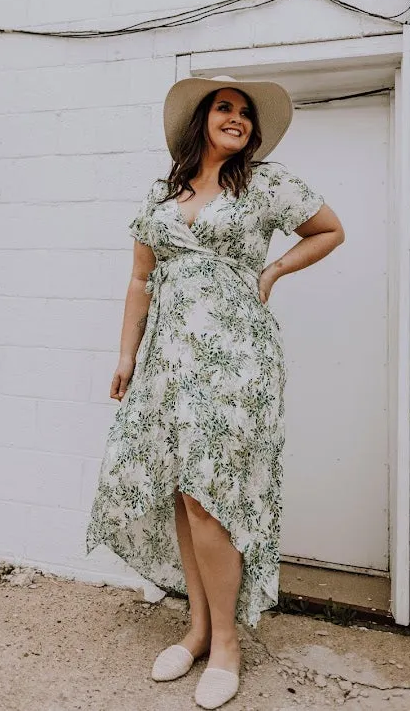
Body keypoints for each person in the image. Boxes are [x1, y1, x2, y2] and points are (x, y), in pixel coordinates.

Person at [85, 74, 345, 709]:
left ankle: (226, 643)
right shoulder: (161, 193)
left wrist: (276, 269)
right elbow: (141, 279)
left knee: (212, 495)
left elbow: (329, 230)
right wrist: (126, 354)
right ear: (200, 121)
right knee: (180, 490)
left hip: (236, 357)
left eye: (245, 114)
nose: (237, 119)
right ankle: (197, 629)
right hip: (168, 359)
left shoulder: (268, 182)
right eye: (224, 108)